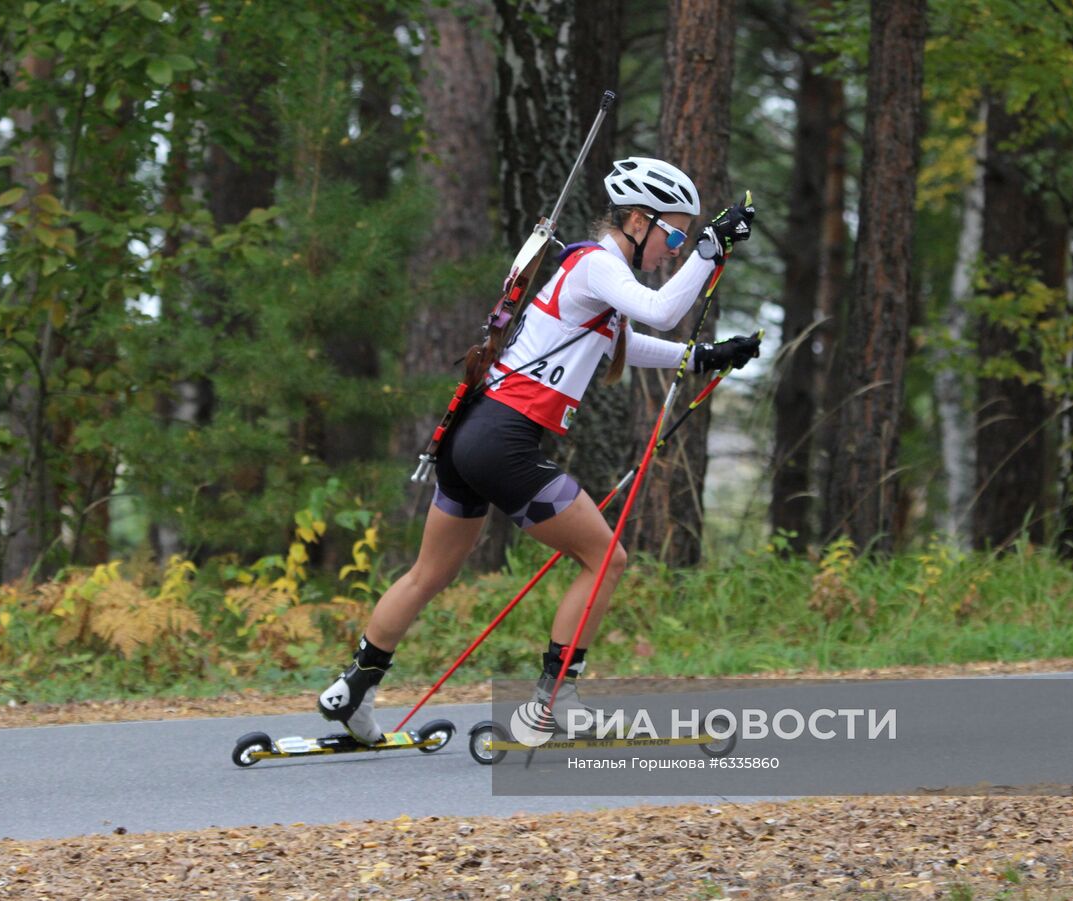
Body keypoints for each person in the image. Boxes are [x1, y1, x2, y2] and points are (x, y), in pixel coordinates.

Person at [318, 157, 761, 744]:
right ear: (636, 219)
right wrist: (709, 250)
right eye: (673, 234)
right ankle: (555, 705)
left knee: (428, 574)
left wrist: (704, 357)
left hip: (472, 435)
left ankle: (354, 690)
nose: (674, 250)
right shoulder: (597, 264)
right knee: (607, 560)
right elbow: (662, 310)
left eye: (683, 239)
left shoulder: (593, 277)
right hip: (504, 440)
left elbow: (628, 344)